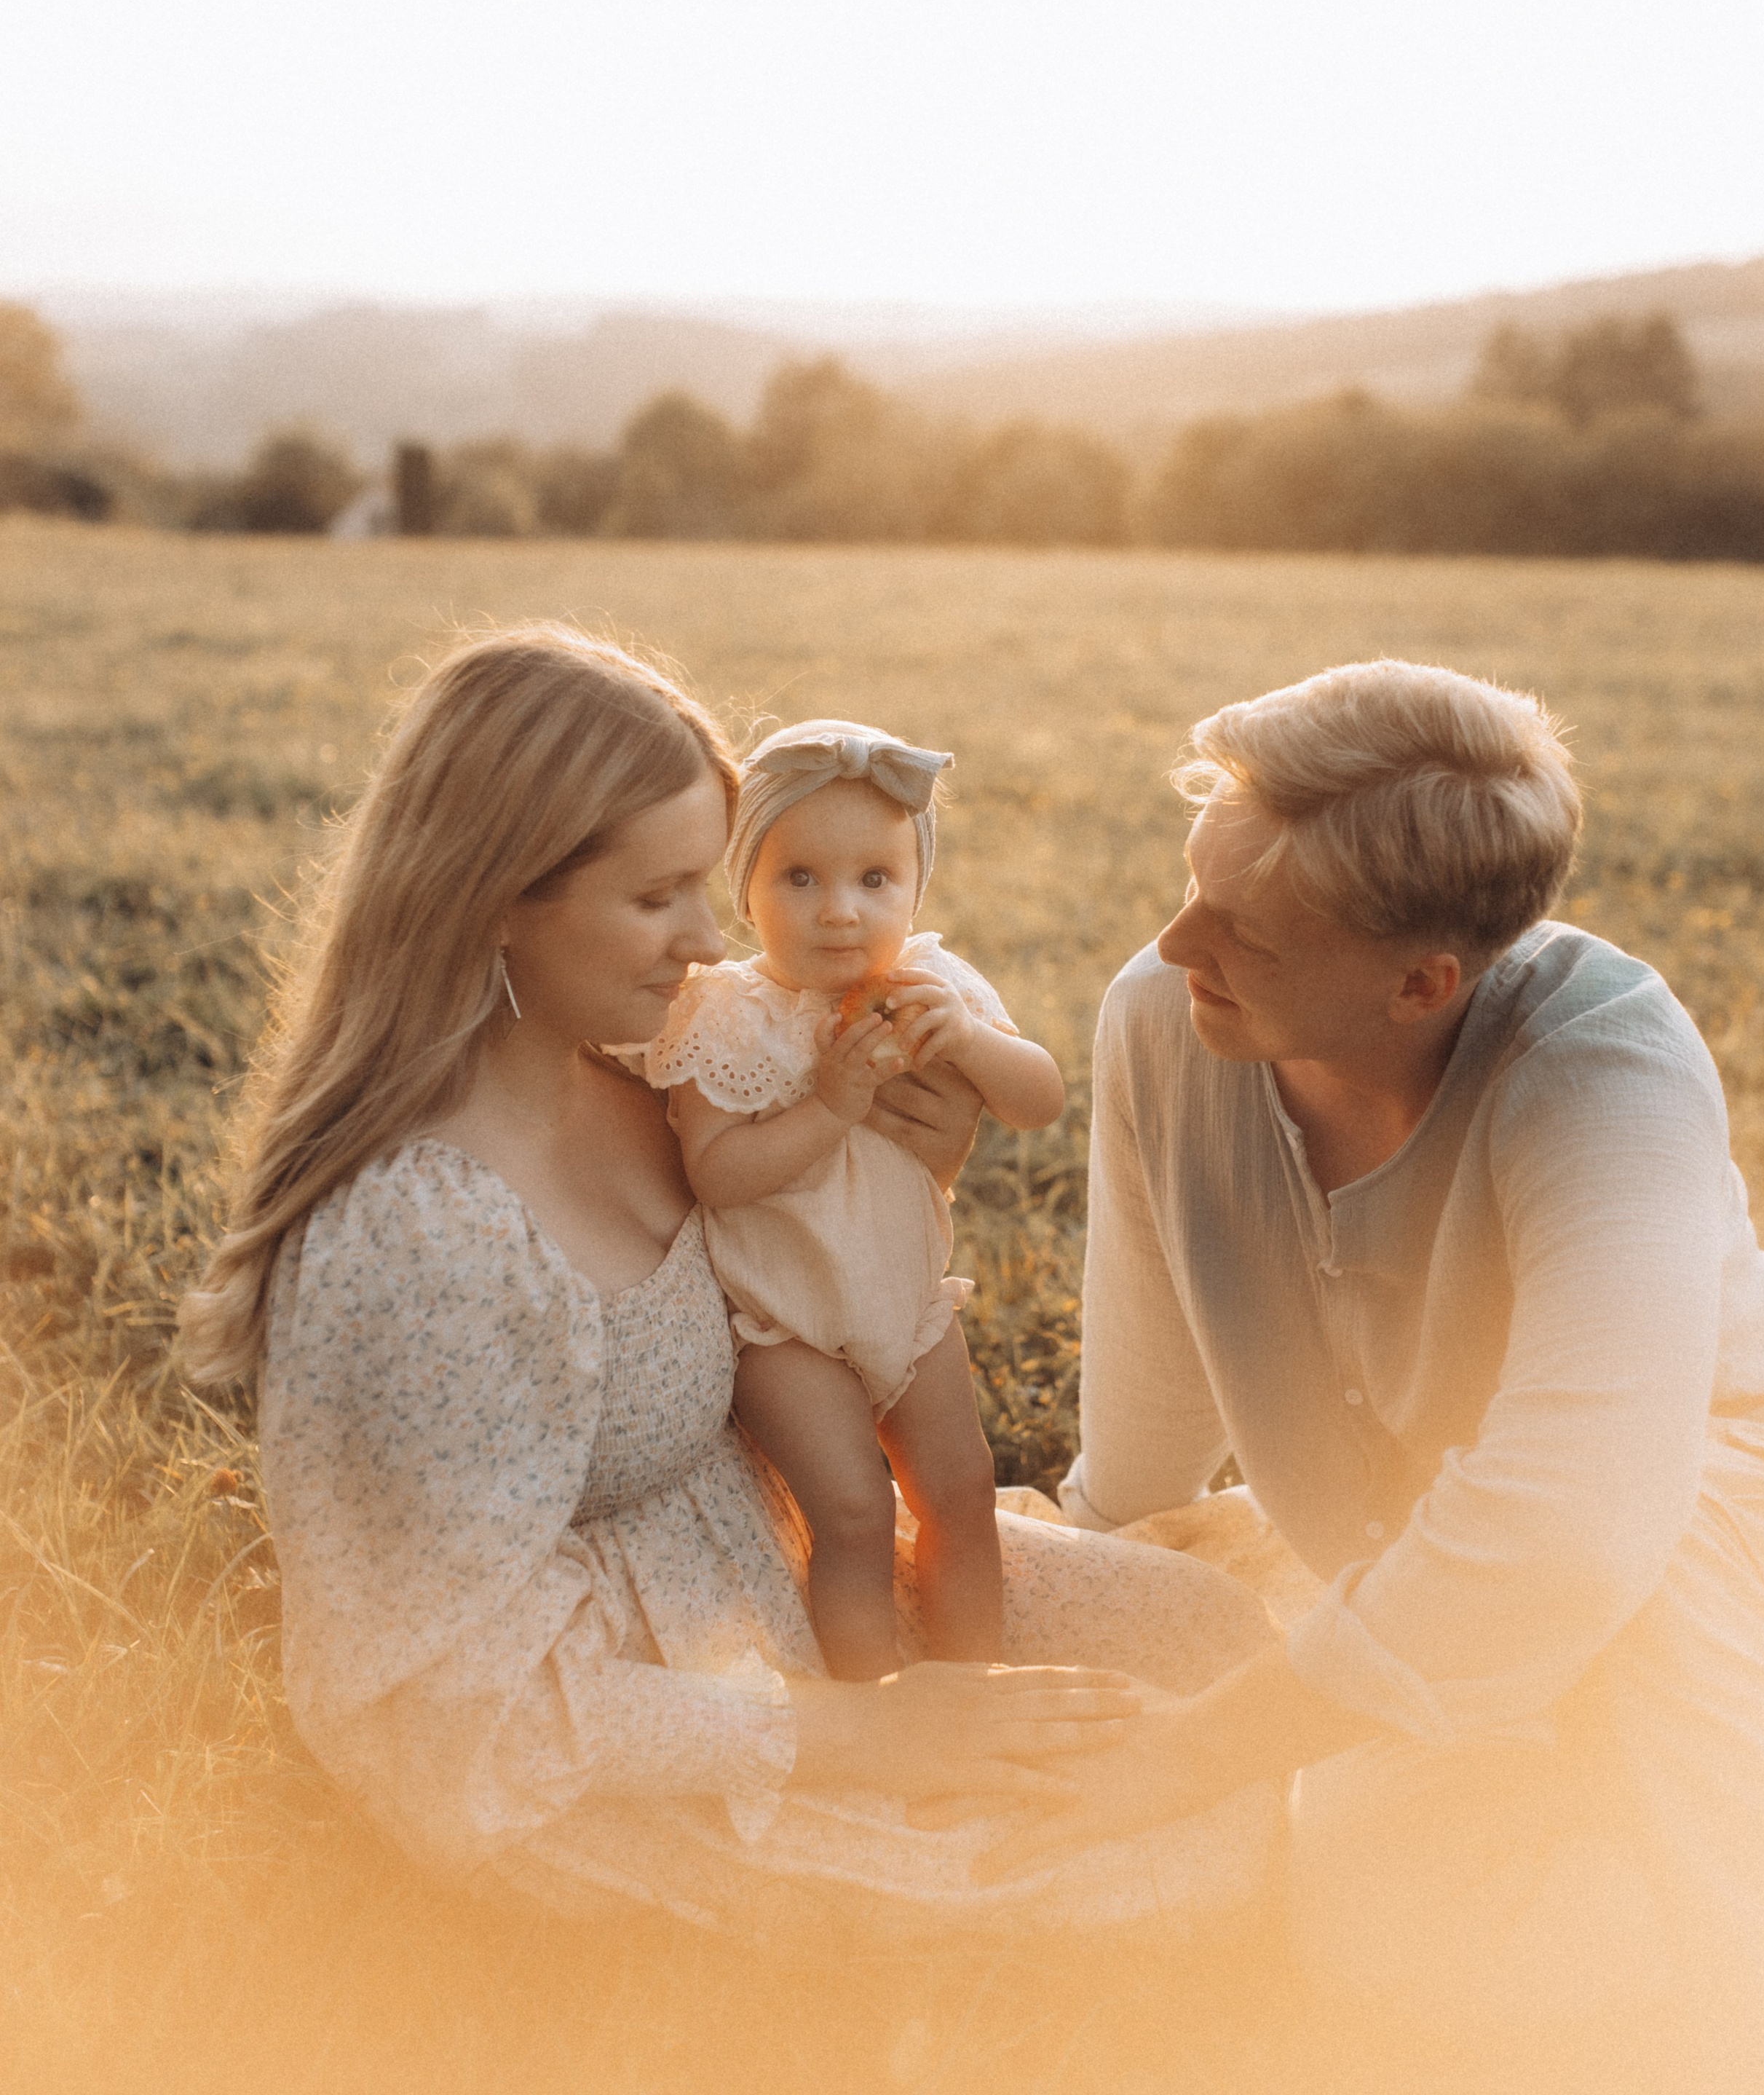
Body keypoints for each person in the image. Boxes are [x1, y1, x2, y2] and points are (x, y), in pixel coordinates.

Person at [179, 624, 1275, 1936]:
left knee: (1231, 1657)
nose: (710, 942)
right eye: (658, 900)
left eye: (712, 883)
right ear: (495, 897)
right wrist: (861, 1736)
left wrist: (917, 1153)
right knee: (1190, 1849)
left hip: (777, 1572)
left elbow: (809, 1240)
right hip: (630, 1740)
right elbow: (461, 1696)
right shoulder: (418, 1237)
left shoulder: (640, 1072)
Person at [986, 656, 1764, 2095]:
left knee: (1651, 1575)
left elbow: (1577, 1520)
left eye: (1240, 930)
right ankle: (1617, 1820)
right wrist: (1107, 1536)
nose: (1177, 942)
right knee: (1400, 1951)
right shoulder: (1162, 1014)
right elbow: (1156, 1345)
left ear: (1421, 982)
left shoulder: (1601, 1065)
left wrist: (1192, 1757)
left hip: (1760, 1526)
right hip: (1449, 1561)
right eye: (1190, 891)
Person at [626, 719, 1064, 1680]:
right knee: (858, 1510)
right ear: (744, 889)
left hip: (908, 1310)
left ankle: (971, 1680)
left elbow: (1039, 1101)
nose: (840, 913)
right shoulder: (727, 1013)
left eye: (876, 881)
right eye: (800, 880)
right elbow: (718, 1174)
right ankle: (878, 1704)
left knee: (963, 1490)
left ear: (916, 888)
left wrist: (973, 1042)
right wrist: (832, 1104)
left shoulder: (930, 986)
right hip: (786, 1327)